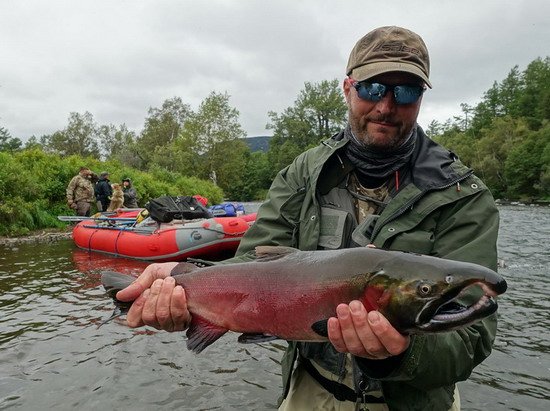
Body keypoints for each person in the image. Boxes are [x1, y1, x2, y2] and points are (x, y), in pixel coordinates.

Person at [116, 26, 500, 411]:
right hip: (312, 391)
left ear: (420, 99)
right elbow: (251, 266)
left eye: (405, 92)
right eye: (371, 88)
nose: (386, 106)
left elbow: (473, 339)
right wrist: (183, 277)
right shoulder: (305, 172)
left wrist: (403, 352)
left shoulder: (462, 196)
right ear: (348, 88)